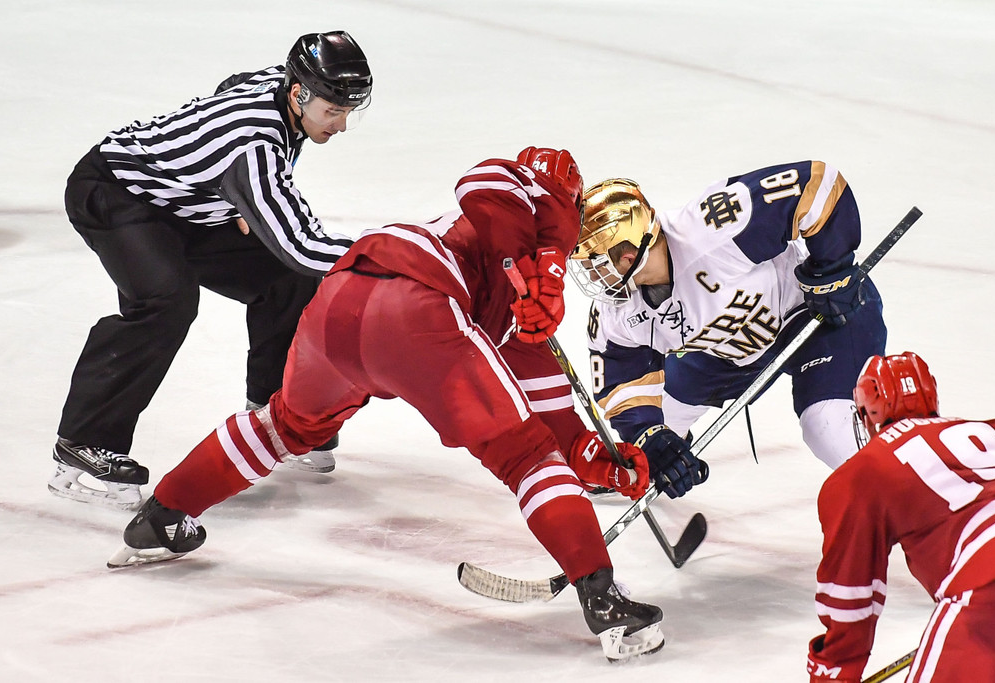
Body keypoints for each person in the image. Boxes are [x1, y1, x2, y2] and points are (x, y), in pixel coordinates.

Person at [105, 147, 679, 662]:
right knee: (523, 457)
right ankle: (603, 600)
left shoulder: (521, 304)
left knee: (287, 425)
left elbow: (550, 412)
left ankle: (163, 517)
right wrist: (546, 262)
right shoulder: (527, 208)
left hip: (343, 296)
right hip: (417, 302)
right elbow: (485, 183)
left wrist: (595, 457)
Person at [50, 31, 374, 510]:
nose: (342, 125)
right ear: (298, 94)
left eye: (349, 112)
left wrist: (233, 189)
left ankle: (273, 416)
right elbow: (302, 245)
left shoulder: (277, 85)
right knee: (165, 301)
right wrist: (386, 260)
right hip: (118, 193)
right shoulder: (253, 147)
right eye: (333, 111)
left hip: (188, 208)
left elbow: (233, 84)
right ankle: (81, 445)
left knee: (288, 282)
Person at [566, 161, 887, 498]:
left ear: (628, 255)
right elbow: (621, 384)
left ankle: (912, 486)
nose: (590, 278)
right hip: (732, 351)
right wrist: (652, 439)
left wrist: (831, 269)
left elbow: (817, 185)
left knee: (826, 428)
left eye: (595, 264)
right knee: (655, 431)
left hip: (819, 315)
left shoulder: (709, 229)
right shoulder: (616, 312)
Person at [806, 352, 995, 682]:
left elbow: (851, 597)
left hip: (992, 586)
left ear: (868, 411)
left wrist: (835, 673)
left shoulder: (862, 473)